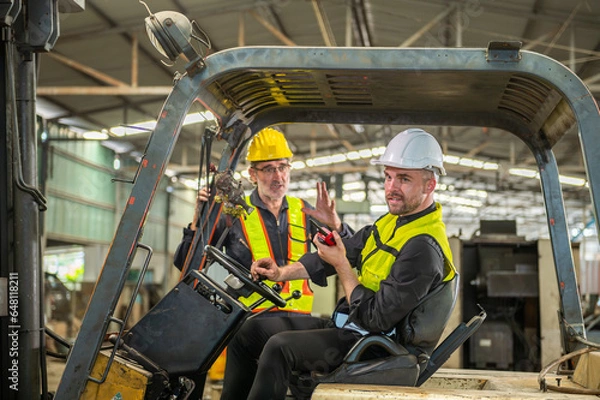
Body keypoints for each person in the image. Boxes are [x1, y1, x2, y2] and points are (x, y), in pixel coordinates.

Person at [221, 128, 458, 400]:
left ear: (430, 185)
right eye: (388, 177)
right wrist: (280, 273)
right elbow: (342, 250)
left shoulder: (422, 246)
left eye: (404, 179)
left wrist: (344, 266)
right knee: (251, 331)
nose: (391, 188)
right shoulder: (392, 221)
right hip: (355, 327)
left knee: (280, 347)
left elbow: (376, 318)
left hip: (379, 346)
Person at [174, 126, 353, 314]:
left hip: (298, 319)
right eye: (269, 169)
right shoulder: (233, 214)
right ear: (253, 174)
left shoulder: (304, 210)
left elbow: (347, 252)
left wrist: (336, 226)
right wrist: (197, 220)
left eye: (282, 167)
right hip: (247, 320)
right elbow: (185, 263)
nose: (278, 177)